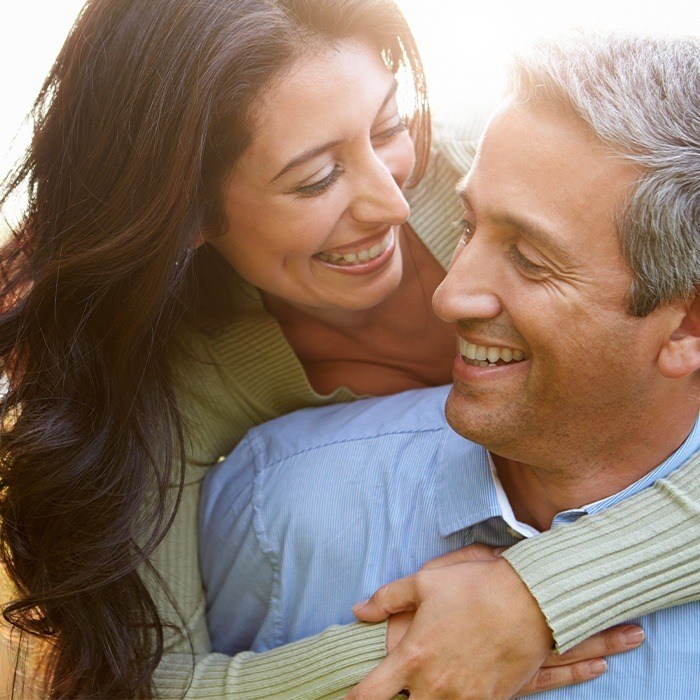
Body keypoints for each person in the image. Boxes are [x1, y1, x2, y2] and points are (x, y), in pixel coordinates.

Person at [0, 0, 695, 694]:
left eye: (389, 126)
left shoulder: (512, 155)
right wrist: (411, 653)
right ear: (189, 216)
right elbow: (140, 681)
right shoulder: (179, 383)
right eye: (316, 179)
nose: (393, 202)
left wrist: (536, 598)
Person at [200, 30, 700, 699]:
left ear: (686, 326)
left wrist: (539, 595)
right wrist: (397, 658)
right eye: (467, 226)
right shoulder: (278, 508)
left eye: (529, 258)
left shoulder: (451, 147)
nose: (446, 294)